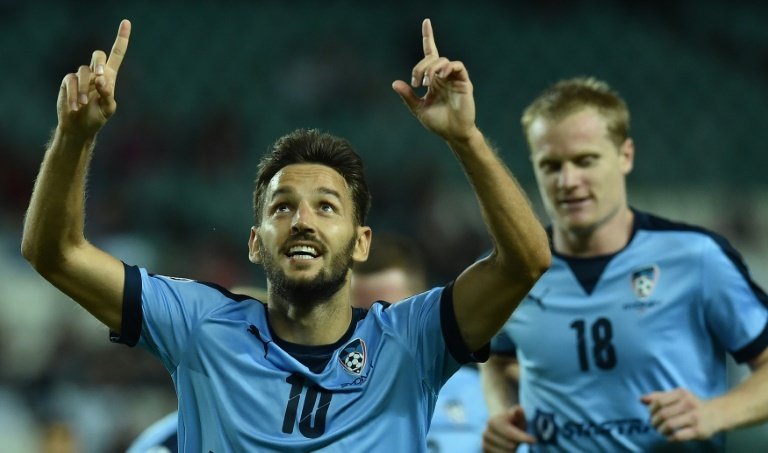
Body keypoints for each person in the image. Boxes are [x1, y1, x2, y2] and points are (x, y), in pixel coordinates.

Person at [22, 18, 550, 451]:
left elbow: (525, 261)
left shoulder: (412, 342)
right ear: (255, 242)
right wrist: (74, 136)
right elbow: (55, 253)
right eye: (282, 207)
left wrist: (466, 138)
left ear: (360, 241)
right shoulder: (199, 327)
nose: (302, 220)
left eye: (326, 206)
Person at [480, 77, 768, 452]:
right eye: (550, 165)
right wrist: (501, 411)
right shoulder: (512, 271)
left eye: (585, 160)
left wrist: (716, 413)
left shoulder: (695, 258)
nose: (568, 181)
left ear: (625, 155)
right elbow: (497, 360)